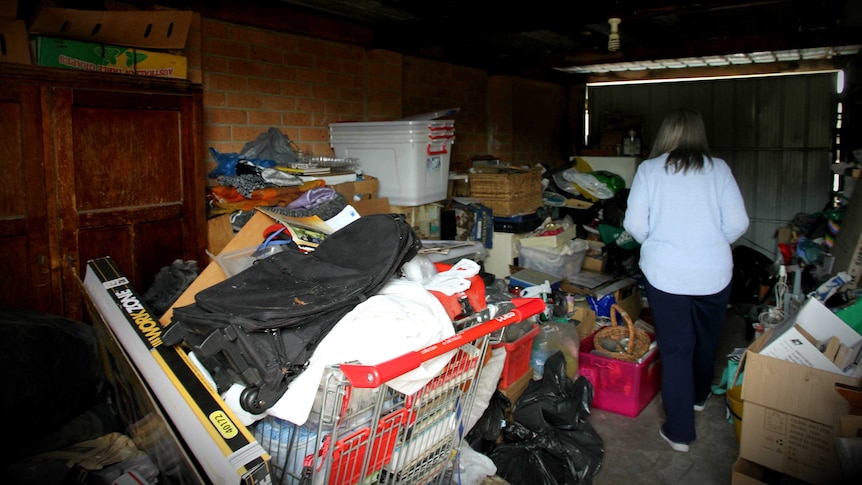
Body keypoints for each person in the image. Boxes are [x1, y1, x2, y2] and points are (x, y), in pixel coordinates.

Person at [623, 108, 749, 453]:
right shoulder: (719, 169)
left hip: (667, 274)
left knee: (677, 349)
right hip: (714, 272)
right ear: (699, 134)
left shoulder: (649, 170)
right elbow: (738, 223)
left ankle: (680, 433)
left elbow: (635, 225)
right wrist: (708, 240)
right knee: (707, 338)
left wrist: (658, 240)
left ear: (666, 135)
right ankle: (699, 396)